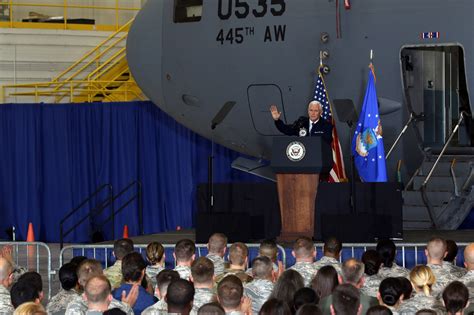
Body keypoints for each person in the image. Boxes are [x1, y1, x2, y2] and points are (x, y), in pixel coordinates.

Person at [65, 259, 136, 315]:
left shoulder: (72, 307)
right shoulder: (120, 307)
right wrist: (126, 307)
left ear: (79, 281)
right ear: (103, 276)